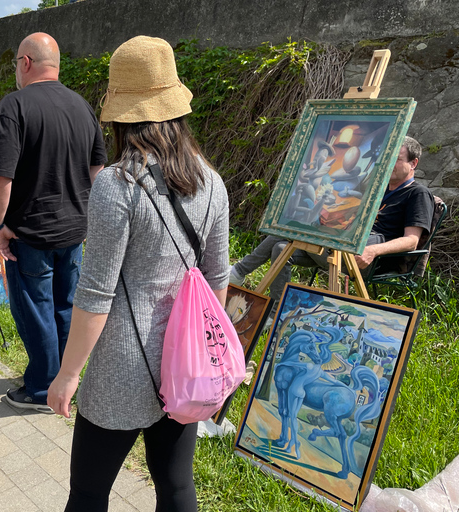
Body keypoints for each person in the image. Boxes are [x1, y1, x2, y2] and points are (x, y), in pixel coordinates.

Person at [47, 35, 230, 511]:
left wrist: (68, 374)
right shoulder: (212, 182)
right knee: (176, 486)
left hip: (121, 368)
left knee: (88, 493)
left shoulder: (117, 182)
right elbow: (217, 281)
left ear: (121, 111)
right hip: (185, 363)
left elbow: (95, 292)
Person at [0, 32, 107, 412]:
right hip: (74, 229)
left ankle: (40, 388)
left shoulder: (13, 107)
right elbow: (97, 169)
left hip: (29, 231)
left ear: (26, 63)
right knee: (66, 305)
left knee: (34, 308)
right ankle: (67, 378)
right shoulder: (82, 106)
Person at [229, 136, 434, 300]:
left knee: (301, 226)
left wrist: (373, 251)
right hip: (342, 246)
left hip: (368, 258)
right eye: (387, 158)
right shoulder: (378, 189)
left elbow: (412, 241)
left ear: (413, 163)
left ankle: (238, 272)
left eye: (397, 159)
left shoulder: (418, 194)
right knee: (281, 248)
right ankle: (275, 314)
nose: (390, 164)